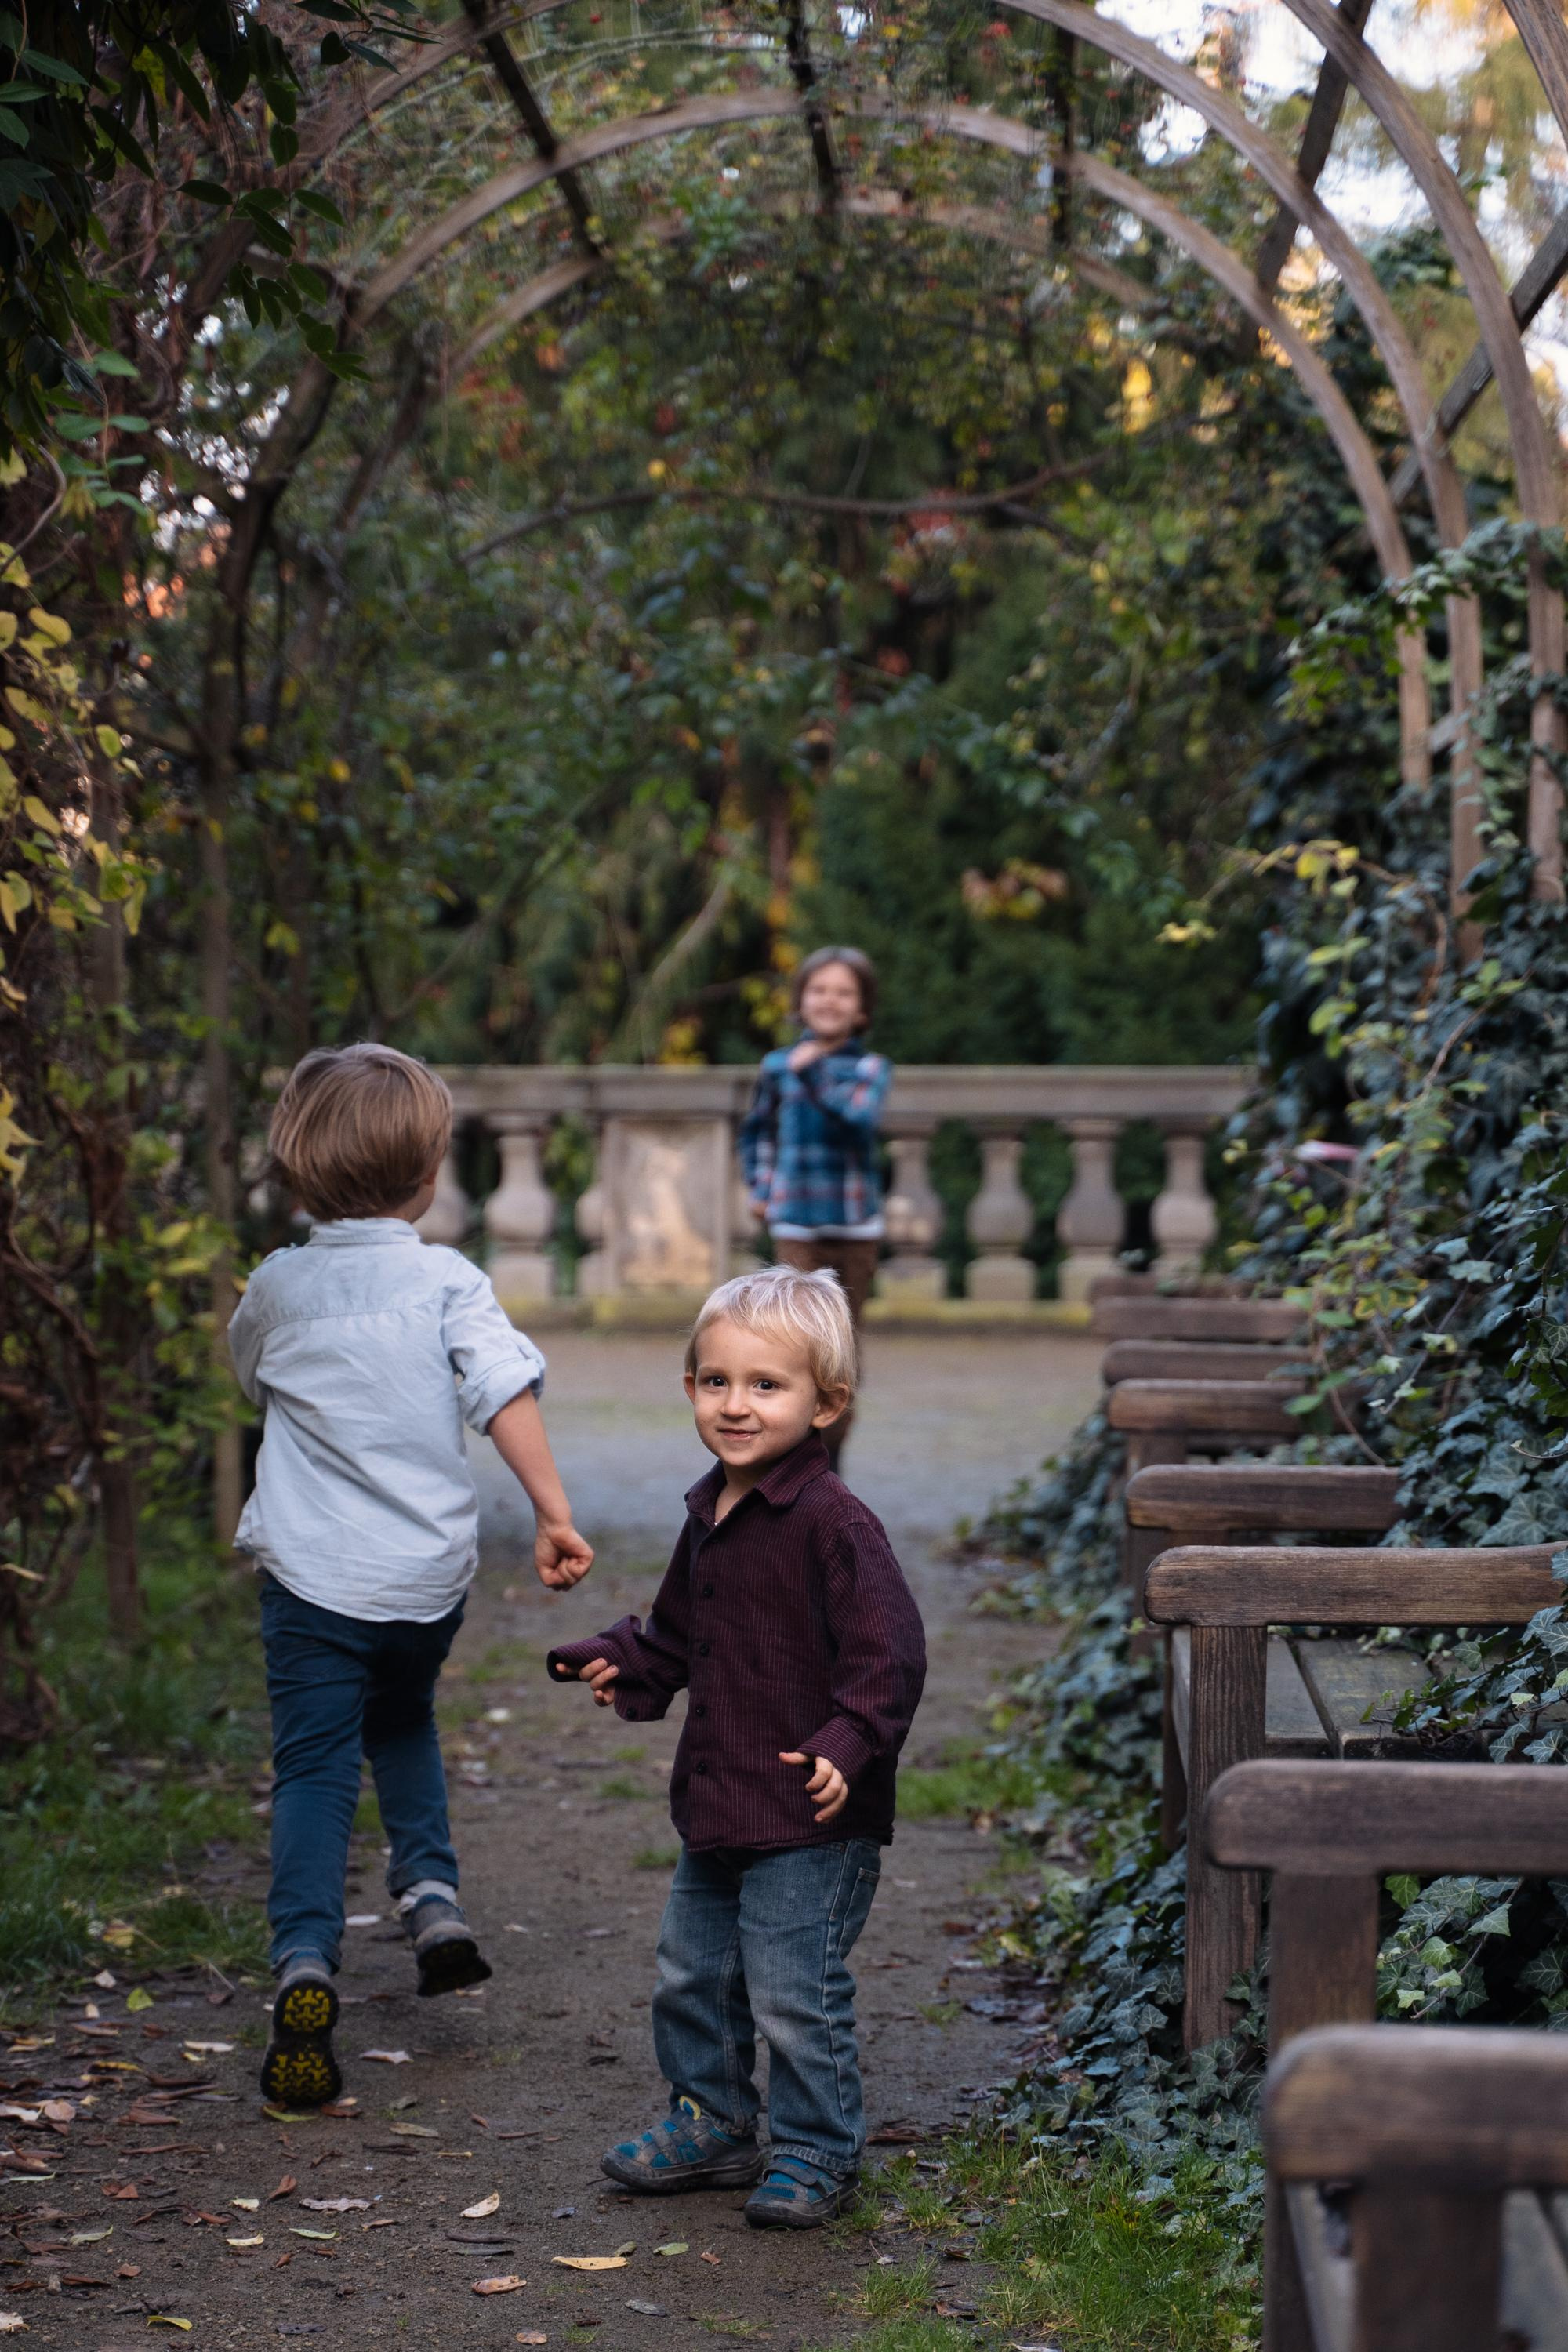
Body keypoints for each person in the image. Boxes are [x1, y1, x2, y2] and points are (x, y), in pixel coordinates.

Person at [229, 1042, 593, 2110]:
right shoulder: (448, 1280)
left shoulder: (278, 1289)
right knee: (405, 1722)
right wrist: (553, 1511)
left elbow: (249, 1375)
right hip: (425, 1577)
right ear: (430, 1177)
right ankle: (432, 1896)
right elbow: (504, 1392)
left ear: (296, 1172)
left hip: (311, 1579)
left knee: (314, 1768)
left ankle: (304, 1962)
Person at [546, 1265, 925, 2229]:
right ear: (689, 1390)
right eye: (716, 1382)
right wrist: (622, 1660)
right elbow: (677, 1633)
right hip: (720, 1796)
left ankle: (814, 2149)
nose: (736, 1405)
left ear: (826, 1402)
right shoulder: (709, 1510)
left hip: (810, 1809)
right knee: (693, 1972)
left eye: (766, 1385)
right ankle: (713, 2121)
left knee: (794, 1991)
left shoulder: (837, 1526)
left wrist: (850, 1739)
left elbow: (891, 1653)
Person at [739, 946, 891, 1469]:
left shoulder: (869, 1069)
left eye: (844, 992)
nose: (830, 1000)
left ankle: (831, 1462)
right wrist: (762, 1186)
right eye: (819, 989)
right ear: (800, 1001)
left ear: (862, 1009)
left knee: (841, 1353)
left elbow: (857, 1121)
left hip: (855, 1227)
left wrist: (815, 1072)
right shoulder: (778, 1066)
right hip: (796, 1224)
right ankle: (790, 1461)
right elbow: (757, 1132)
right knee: (794, 1344)